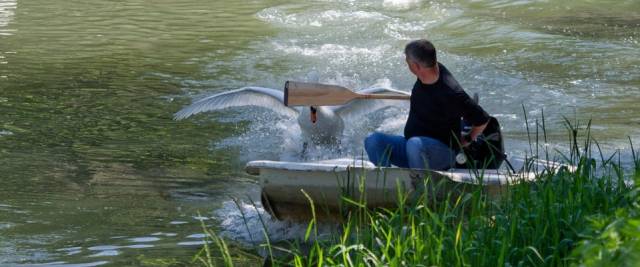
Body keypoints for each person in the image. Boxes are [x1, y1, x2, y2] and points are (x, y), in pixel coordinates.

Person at [364, 39, 490, 170]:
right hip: (413, 149)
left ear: (416, 66)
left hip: (441, 155)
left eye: (407, 61)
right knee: (373, 140)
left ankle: (420, 187)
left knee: (415, 145)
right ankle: (386, 184)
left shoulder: (452, 93)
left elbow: (483, 119)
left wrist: (467, 139)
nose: (406, 63)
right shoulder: (427, 71)